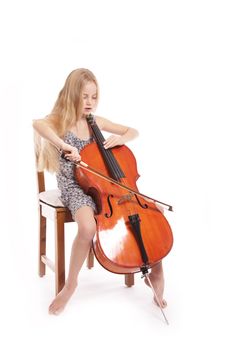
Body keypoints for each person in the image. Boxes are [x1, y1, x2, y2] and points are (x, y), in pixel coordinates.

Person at [33, 68, 166, 315]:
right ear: (72, 94)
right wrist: (63, 145)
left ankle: (153, 272)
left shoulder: (96, 121)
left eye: (94, 97)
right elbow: (38, 124)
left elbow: (133, 131)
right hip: (74, 186)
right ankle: (70, 285)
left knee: (151, 213)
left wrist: (120, 138)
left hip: (104, 186)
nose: (90, 102)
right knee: (87, 226)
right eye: (84, 96)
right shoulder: (60, 121)